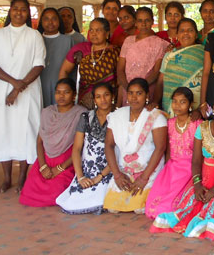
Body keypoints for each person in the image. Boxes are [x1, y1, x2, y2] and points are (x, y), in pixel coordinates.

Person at [151, 92, 214, 240]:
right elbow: (196, 161)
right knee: (188, 208)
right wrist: (197, 184)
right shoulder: (203, 128)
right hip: (203, 179)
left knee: (212, 211)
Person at [0, 0, 45, 193]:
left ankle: (22, 177)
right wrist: (13, 83)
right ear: (10, 11)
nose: (19, 13)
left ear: (29, 13)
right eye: (15, 9)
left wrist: (18, 87)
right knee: (3, 130)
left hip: (28, 90)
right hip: (2, 90)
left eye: (24, 10)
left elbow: (39, 64)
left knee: (26, 131)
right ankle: (7, 178)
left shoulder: (34, 36)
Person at [103, 78, 167, 213]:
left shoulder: (156, 117)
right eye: (131, 93)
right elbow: (108, 145)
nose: (134, 97)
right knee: (113, 208)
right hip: (124, 169)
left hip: (149, 169)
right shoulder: (117, 116)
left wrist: (144, 178)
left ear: (147, 96)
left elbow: (160, 148)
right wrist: (117, 175)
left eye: (139, 93)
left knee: (140, 208)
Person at [19, 79, 86, 207]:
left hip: (68, 161)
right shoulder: (47, 112)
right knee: (29, 193)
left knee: (58, 193)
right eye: (58, 92)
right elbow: (39, 142)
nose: (61, 96)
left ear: (74, 95)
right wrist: (43, 166)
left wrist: (60, 168)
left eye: (66, 92)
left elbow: (81, 147)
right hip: (46, 160)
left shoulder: (81, 114)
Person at [56, 82, 115, 215]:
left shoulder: (119, 117)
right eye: (98, 97)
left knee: (102, 198)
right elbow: (77, 149)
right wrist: (81, 177)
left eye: (106, 95)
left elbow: (119, 153)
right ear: (94, 100)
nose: (103, 100)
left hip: (109, 169)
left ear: (112, 96)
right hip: (87, 170)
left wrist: (100, 176)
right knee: (73, 201)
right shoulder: (86, 117)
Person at [145, 87, 203, 218]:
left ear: (190, 105)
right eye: (175, 101)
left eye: (182, 102)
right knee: (153, 204)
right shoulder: (169, 123)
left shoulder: (197, 124)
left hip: (190, 168)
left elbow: (201, 154)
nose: (177, 105)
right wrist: (166, 168)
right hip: (172, 166)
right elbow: (169, 150)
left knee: (172, 203)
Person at [58, 18, 120, 109]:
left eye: (98, 30)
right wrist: (65, 94)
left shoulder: (115, 51)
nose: (94, 33)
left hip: (107, 101)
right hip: (85, 101)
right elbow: (64, 70)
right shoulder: (81, 49)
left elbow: (120, 79)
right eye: (91, 30)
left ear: (107, 34)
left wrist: (118, 103)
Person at [116, 7, 169, 106]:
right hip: (127, 88)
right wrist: (128, 88)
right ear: (135, 22)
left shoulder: (159, 43)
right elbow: (120, 69)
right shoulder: (128, 41)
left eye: (147, 20)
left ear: (152, 21)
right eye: (140, 20)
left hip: (147, 89)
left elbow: (156, 71)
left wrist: (139, 88)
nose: (143, 24)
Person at [155, 18, 205, 116]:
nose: (186, 33)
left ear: (196, 34)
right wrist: (155, 102)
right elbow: (160, 82)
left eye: (190, 30)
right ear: (177, 35)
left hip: (195, 111)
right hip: (171, 107)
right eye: (182, 30)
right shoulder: (169, 55)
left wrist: (200, 109)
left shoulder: (204, 53)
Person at [38, 7, 74, 107]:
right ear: (41, 21)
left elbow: (72, 69)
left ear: (59, 21)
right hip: (39, 85)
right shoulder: (36, 38)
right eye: (46, 19)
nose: (50, 22)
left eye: (54, 19)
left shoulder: (67, 40)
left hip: (61, 87)